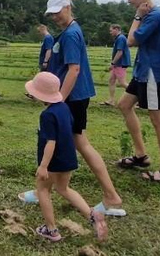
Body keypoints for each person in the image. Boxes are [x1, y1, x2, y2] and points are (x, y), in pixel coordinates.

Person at [19, 0, 125, 217]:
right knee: (73, 143)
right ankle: (107, 195)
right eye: (52, 13)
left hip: (72, 98)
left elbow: (73, 70)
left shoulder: (70, 35)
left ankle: (110, 196)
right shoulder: (69, 32)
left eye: (58, 11)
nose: (55, 16)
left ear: (67, 7)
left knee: (68, 142)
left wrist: (58, 100)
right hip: (72, 98)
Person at [25, 72, 108, 242]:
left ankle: (51, 230)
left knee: (42, 190)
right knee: (64, 189)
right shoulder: (64, 108)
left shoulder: (47, 115)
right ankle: (92, 216)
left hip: (53, 162)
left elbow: (51, 142)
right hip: (68, 158)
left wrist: (43, 166)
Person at [116, 0, 160, 183]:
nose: (129, 1)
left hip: (153, 74)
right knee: (124, 105)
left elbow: (130, 40)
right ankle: (141, 155)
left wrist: (137, 17)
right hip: (143, 71)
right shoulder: (152, 16)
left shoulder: (153, 16)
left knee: (158, 120)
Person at [102, 24, 131, 106]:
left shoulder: (121, 38)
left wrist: (112, 63)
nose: (110, 32)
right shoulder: (118, 38)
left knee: (122, 82)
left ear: (116, 29)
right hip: (117, 64)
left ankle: (139, 98)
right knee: (111, 81)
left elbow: (120, 52)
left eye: (111, 31)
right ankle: (111, 100)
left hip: (120, 64)